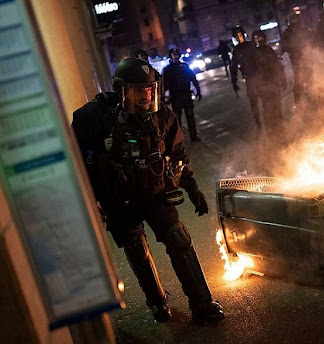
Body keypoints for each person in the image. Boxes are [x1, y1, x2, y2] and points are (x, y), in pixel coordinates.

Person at [71, 57, 224, 324]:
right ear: (122, 90)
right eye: (140, 90)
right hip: (118, 199)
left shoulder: (162, 115)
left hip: (155, 192)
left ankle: (202, 303)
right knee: (136, 249)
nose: (147, 96)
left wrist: (193, 188)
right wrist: (90, 204)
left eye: (151, 89)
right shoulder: (93, 119)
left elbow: (178, 155)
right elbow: (77, 163)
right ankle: (157, 302)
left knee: (178, 239)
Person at [249, 29, 287, 133]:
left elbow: (278, 65)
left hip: (273, 82)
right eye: (258, 38)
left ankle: (279, 125)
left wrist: (283, 79)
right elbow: (252, 72)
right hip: (263, 85)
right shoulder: (253, 55)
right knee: (267, 106)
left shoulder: (269, 50)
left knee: (277, 104)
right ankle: (271, 128)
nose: (260, 40)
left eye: (261, 37)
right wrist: (255, 87)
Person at [162, 48, 202, 142]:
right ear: (170, 56)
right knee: (177, 119)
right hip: (176, 96)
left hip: (186, 94)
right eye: (173, 54)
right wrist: (163, 97)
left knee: (190, 115)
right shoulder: (168, 69)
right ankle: (179, 139)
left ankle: (193, 135)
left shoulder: (184, 66)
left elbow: (193, 78)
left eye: (176, 54)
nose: (175, 56)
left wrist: (198, 90)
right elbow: (165, 84)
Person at [229, 25, 264, 129]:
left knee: (262, 99)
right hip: (250, 78)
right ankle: (258, 122)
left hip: (258, 76)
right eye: (237, 35)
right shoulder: (238, 50)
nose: (240, 37)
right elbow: (233, 67)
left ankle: (265, 119)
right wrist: (234, 82)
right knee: (254, 101)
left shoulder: (249, 45)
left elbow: (260, 57)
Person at [280, 15, 306, 103]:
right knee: (297, 84)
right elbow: (283, 49)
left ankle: (312, 103)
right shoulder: (286, 34)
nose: (295, 23)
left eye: (296, 21)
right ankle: (299, 105)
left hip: (306, 60)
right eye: (293, 21)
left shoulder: (303, 31)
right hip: (294, 63)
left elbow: (311, 42)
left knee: (310, 82)